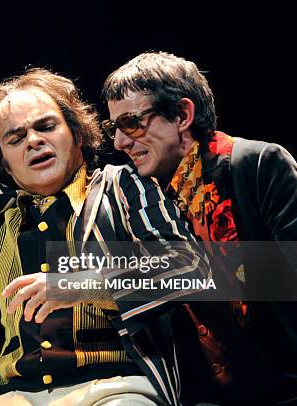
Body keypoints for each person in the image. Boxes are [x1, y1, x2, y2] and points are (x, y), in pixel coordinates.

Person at [0, 68, 209, 405]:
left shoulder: (120, 188)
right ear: (4, 164)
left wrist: (81, 284)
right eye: (16, 138)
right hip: (14, 396)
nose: (33, 140)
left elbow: (190, 267)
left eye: (46, 127)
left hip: (113, 387)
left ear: (77, 135)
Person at [102, 51, 297, 404]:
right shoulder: (138, 201)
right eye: (113, 128)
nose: (119, 142)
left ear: (182, 114)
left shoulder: (256, 165)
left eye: (131, 123)